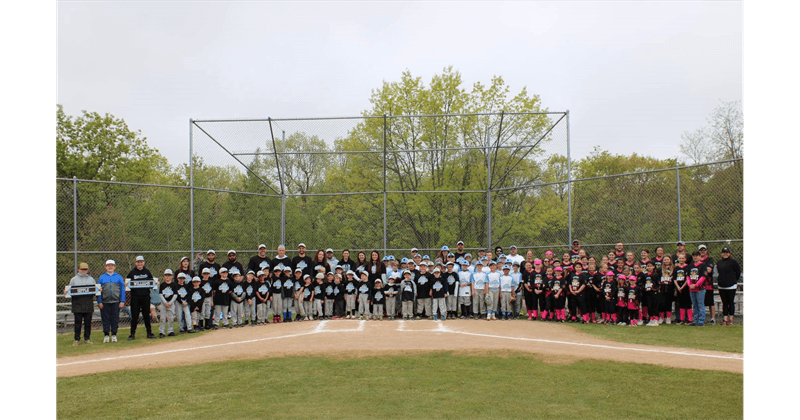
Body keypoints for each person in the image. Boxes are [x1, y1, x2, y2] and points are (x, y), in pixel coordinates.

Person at [66, 262, 97, 345]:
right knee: (77, 323)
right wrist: (66, 292)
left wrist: (98, 290)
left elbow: (95, 291)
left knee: (88, 323)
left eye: (85, 269)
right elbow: (68, 291)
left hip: (88, 304)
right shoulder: (73, 279)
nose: (84, 271)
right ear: (78, 269)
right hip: (77, 304)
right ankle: (77, 339)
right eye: (82, 269)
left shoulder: (91, 279)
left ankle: (87, 339)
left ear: (88, 270)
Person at [126, 256, 156, 340]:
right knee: (134, 316)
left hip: (145, 297)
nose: (140, 264)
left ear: (143, 262)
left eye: (141, 262)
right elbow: (127, 284)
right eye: (138, 262)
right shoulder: (132, 273)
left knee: (146, 315)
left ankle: (149, 333)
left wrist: (156, 283)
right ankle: (132, 334)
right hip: (135, 297)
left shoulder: (147, 272)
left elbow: (152, 283)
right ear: (135, 263)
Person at [716, 247, 742, 326]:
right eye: (723, 252)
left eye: (727, 252)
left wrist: (734, 280)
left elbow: (738, 272)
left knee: (730, 302)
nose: (725, 254)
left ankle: (731, 319)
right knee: (724, 303)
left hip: (731, 286)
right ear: (721, 253)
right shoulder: (719, 262)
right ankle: (725, 319)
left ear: (730, 253)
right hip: (721, 286)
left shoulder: (733, 262)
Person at [687, 251, 707, 326]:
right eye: (694, 256)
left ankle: (701, 321)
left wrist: (696, 285)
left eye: (697, 256)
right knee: (694, 305)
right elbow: (688, 277)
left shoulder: (703, 265)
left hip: (700, 288)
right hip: (692, 288)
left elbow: (703, 277)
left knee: (700, 305)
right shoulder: (691, 266)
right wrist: (690, 285)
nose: (695, 257)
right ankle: (696, 320)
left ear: (700, 256)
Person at [698, 244, 717, 324]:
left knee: (710, 302)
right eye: (701, 250)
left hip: (707, 284)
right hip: (698, 284)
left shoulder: (709, 259)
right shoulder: (695, 260)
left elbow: (708, 270)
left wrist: (701, 269)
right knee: (699, 301)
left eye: (704, 250)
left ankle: (713, 318)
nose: (702, 251)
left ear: (707, 251)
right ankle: (700, 317)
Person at [158, 269, 178, 337]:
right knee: (162, 318)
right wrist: (165, 302)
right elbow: (160, 294)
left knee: (171, 318)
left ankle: (170, 331)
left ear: (172, 276)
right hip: (164, 304)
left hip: (171, 304)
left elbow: (175, 295)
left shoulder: (174, 285)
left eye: (169, 275)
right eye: (166, 275)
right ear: (164, 276)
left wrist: (170, 302)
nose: (167, 277)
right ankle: (162, 332)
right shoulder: (162, 285)